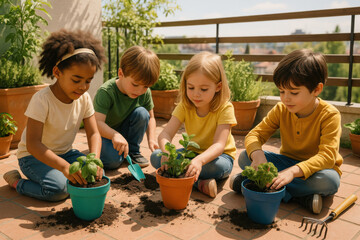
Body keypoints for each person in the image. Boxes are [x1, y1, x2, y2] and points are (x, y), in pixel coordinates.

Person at [229, 49, 342, 214]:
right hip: (286, 162)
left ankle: (259, 185)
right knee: (246, 156)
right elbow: (255, 135)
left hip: (317, 170)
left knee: (330, 181)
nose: (285, 98)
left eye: (294, 92)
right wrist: (258, 155)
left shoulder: (330, 115)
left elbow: (327, 157)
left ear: (316, 89)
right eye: (281, 91)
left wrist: (292, 172)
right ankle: (301, 197)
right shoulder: (281, 109)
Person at [3, 29, 106, 201]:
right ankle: (17, 183)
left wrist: (94, 159)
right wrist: (64, 167)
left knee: (92, 175)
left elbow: (94, 133)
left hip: (65, 154)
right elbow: (33, 144)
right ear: (57, 73)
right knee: (59, 190)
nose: (83, 87)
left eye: (88, 81)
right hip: (32, 157)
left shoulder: (85, 98)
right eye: (76, 80)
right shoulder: (42, 100)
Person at [150, 51, 237, 198]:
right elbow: (165, 134)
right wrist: (166, 152)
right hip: (191, 154)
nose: (196, 94)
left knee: (215, 167)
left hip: (218, 158)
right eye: (191, 87)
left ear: (218, 86)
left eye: (203, 89)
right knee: (155, 156)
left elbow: (219, 145)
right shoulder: (185, 106)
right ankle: (200, 183)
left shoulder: (225, 108)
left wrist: (199, 160)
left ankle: (181, 177)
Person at [93, 46, 160, 169]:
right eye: (135, 84)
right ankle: (112, 153)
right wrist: (114, 135)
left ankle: (133, 151)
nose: (140, 90)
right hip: (105, 134)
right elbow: (97, 123)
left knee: (142, 113)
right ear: (121, 73)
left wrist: (151, 139)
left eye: (145, 86)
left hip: (125, 131)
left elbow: (151, 118)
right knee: (113, 161)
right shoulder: (106, 92)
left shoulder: (145, 92)